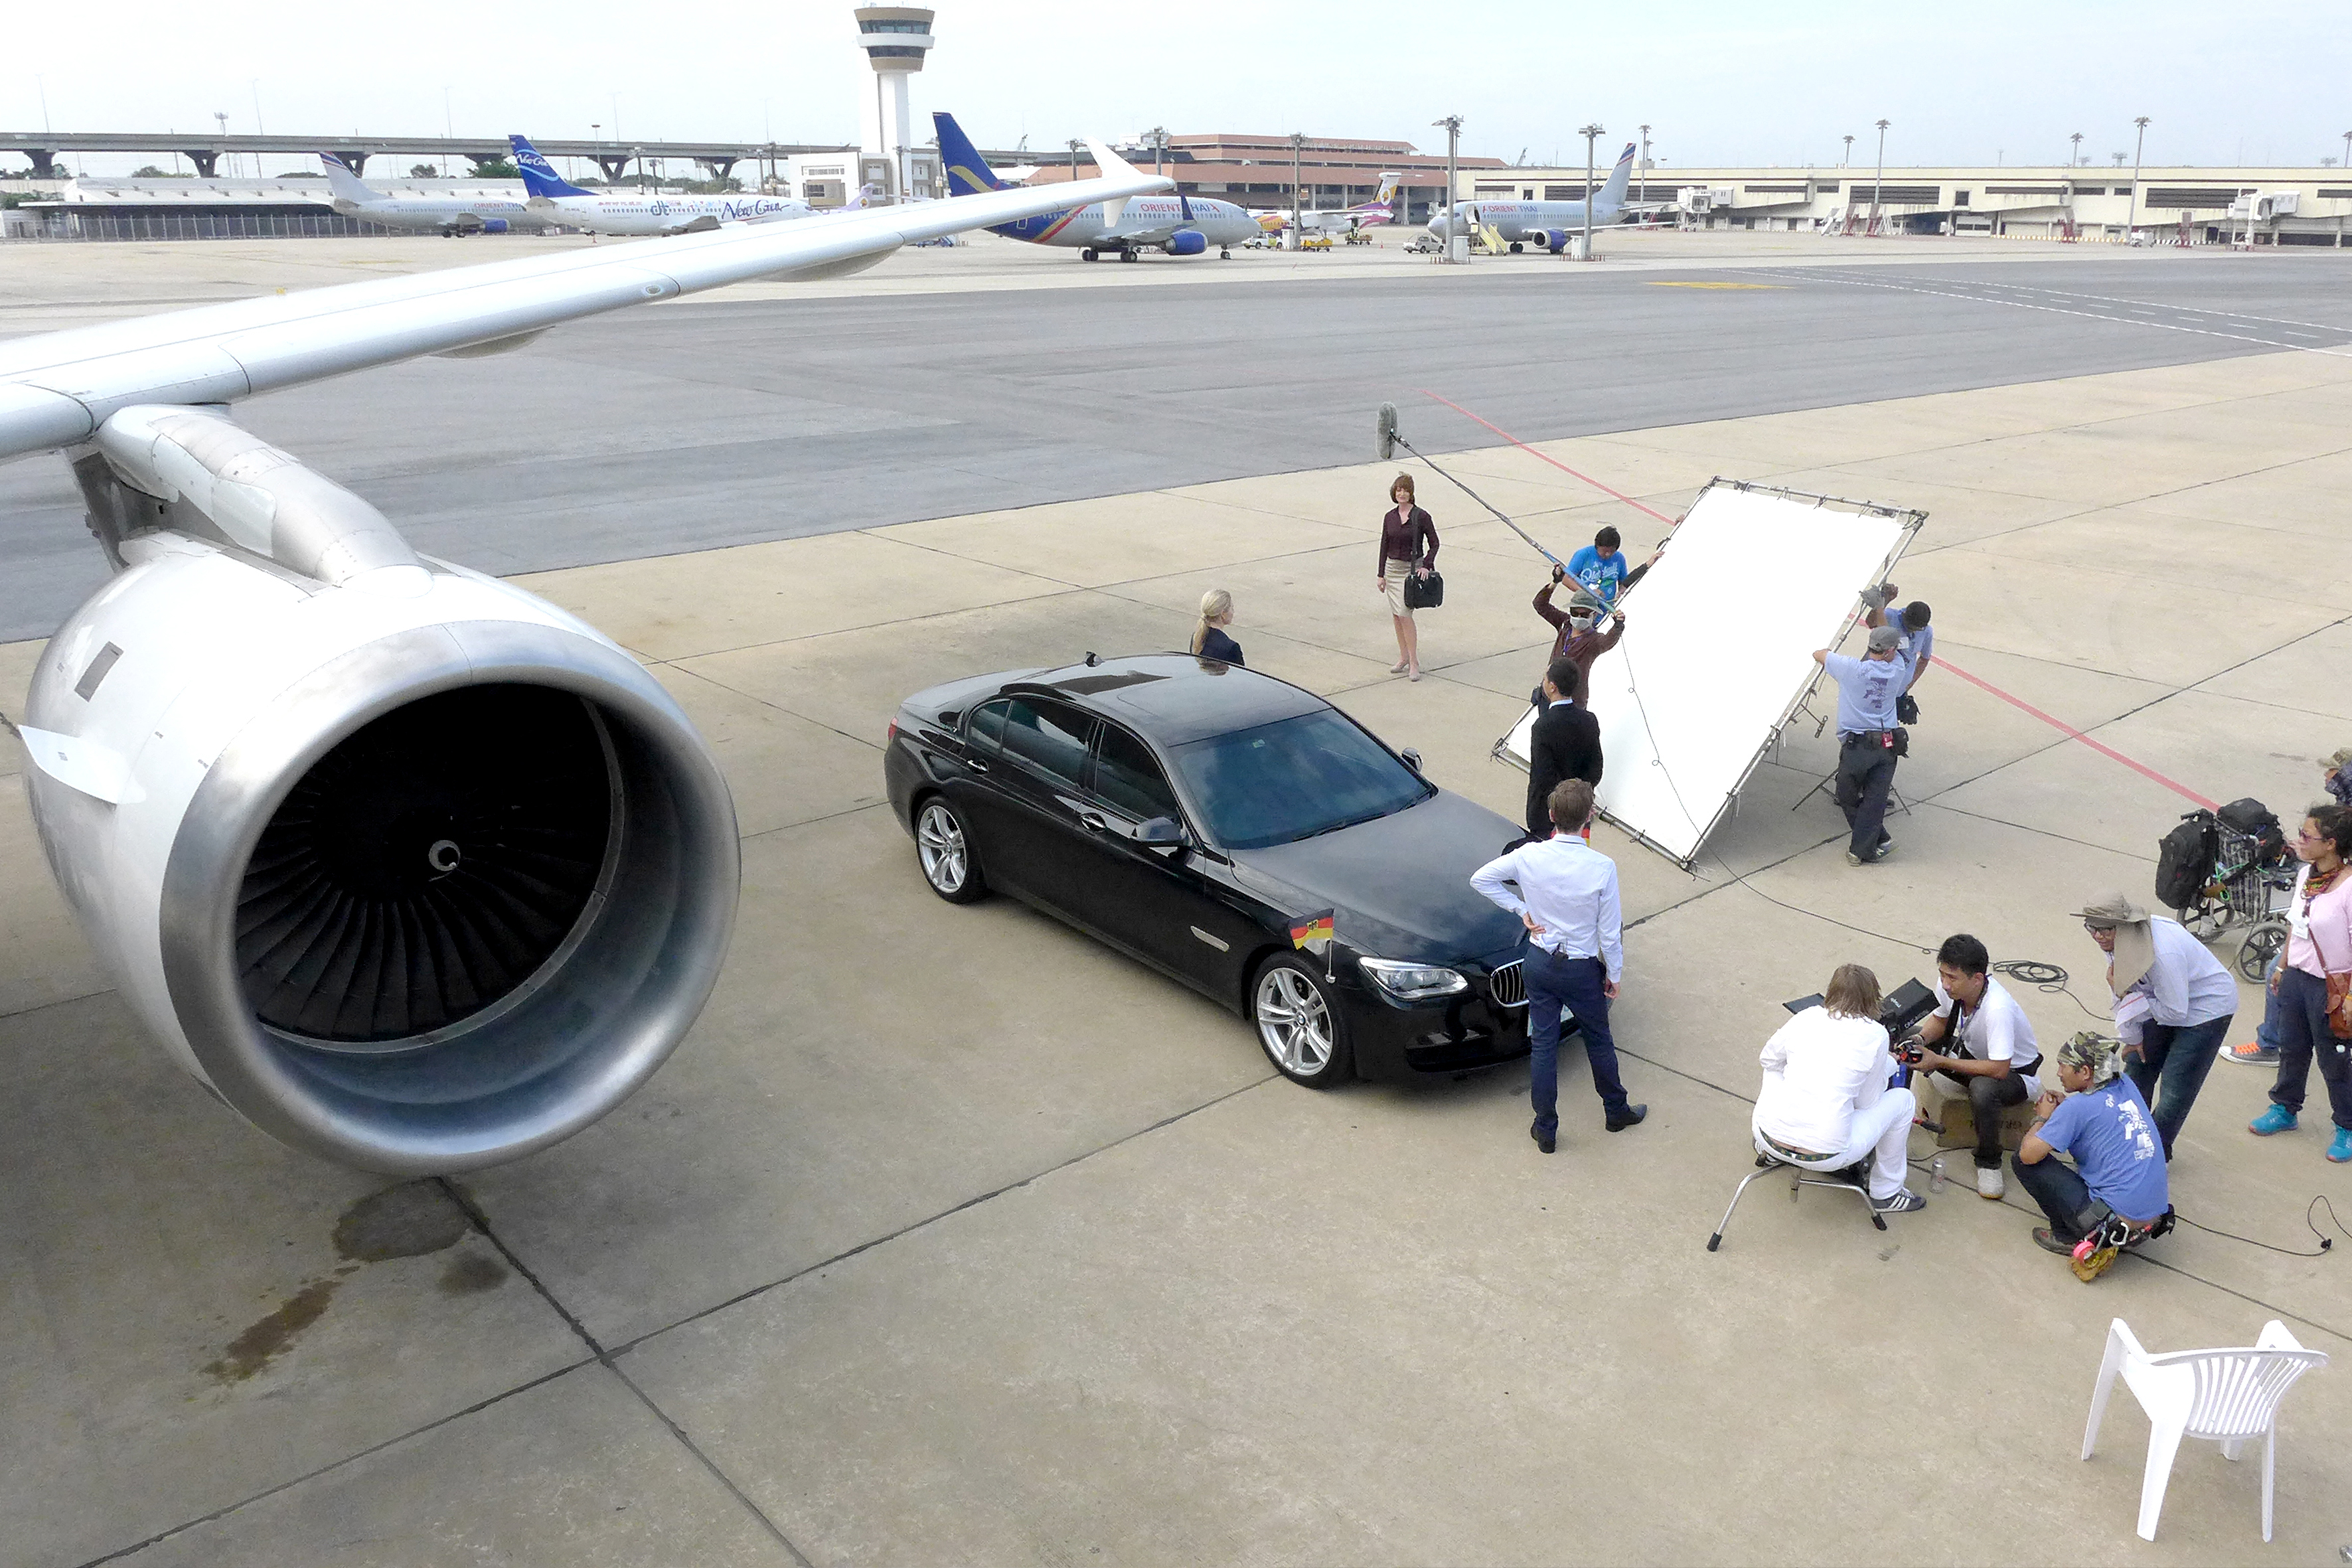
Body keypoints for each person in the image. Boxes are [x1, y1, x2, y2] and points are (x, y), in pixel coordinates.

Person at [1469, 779, 1645, 1152]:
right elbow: (1609, 933)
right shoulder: (1602, 867)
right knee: (1599, 1040)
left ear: (1551, 816)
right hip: (1581, 969)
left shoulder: (1529, 856)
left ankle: (1545, 1128)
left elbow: (1481, 879)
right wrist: (1614, 974)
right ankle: (1616, 1110)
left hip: (1539, 961)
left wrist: (1522, 910)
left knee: (1544, 1045)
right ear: (1590, 818)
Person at [2073, 892, 2234, 1160]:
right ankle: (2126, 1140)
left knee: (2176, 1087)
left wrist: (2132, 998)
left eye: (2105, 929)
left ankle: (2156, 1154)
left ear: (2124, 926)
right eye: (2092, 927)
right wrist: (2133, 1036)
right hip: (2161, 1000)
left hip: (2206, 1010)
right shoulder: (2112, 943)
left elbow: (2173, 1011)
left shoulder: (2164, 951)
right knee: (2137, 1066)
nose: (2098, 936)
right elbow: (2123, 988)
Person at [1753, 964, 1925, 1214]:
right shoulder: (1876, 1035)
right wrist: (1887, 1065)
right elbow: (1867, 1102)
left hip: (1767, 1137)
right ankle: (1886, 1194)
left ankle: (1771, 1153)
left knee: (1774, 1069)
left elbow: (1768, 1060)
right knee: (1904, 1100)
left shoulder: (1805, 1016)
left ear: (1831, 992)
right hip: (1827, 1155)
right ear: (1872, 998)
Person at [2013, 1032, 2170, 1280]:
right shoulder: (2125, 1084)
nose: (2058, 1073)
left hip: (2111, 1227)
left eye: (2063, 1065)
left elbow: (2028, 1154)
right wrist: (2065, 1112)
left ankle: (2068, 1237)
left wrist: (2043, 1117)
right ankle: (2120, 1231)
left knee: (2022, 1163)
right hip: (2153, 1220)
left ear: (2085, 1072)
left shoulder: (2078, 1108)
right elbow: (2097, 1117)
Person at [2246, 805, 2352, 1163]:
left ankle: (2347, 1126)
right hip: (2296, 978)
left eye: (2308, 837)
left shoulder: (2349, 888)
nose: (2299, 841)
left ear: (2332, 844)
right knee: (2292, 1048)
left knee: (2334, 1061)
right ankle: (2285, 1109)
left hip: (2332, 987)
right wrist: (2282, 967)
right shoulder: (2308, 874)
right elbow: (2297, 924)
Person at [1913, 932, 2044, 1198]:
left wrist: (1937, 1060)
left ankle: (1989, 1162)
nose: (1945, 984)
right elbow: (1940, 1020)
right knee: (1907, 1042)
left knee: (1983, 1089)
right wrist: (1920, 1040)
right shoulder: (1951, 988)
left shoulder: (1998, 1008)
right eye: (1942, 975)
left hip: (2015, 1076)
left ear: (1977, 979)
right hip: (1969, 1054)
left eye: (1952, 978)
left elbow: (1999, 1069)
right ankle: (1896, 1119)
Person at [1810, 625, 1907, 866]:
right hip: (1887, 746)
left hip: (1857, 747)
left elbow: (1818, 654)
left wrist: (1832, 654)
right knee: (1875, 800)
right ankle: (1879, 840)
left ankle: (1861, 851)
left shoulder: (1850, 669)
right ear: (1889, 651)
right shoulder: (1897, 669)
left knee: (1847, 795)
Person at [1522, 656, 1603, 843]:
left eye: (1545, 679)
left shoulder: (1542, 726)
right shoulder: (1589, 720)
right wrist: (1578, 798)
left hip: (1547, 816)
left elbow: (1542, 777)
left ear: (1552, 687)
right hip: (1579, 814)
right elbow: (1596, 769)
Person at [1377, 473, 1439, 682]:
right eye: (1398, 490)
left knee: (1405, 614)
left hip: (1411, 570)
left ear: (1411, 493)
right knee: (1396, 615)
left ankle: (1414, 662)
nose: (1401, 494)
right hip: (1392, 569)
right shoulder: (1390, 517)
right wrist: (1381, 574)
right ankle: (1403, 657)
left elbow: (1435, 543)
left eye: (1405, 490)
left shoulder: (1421, 516)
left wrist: (1427, 565)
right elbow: (1384, 545)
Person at [1531, 569, 1624, 705]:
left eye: (1585, 614)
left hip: (1573, 702)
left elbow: (1608, 641)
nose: (1579, 617)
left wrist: (1618, 625)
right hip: (1548, 695)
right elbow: (1540, 604)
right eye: (1575, 613)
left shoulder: (1594, 641)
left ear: (1594, 615)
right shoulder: (1565, 624)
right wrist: (1555, 582)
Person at [1564, 526, 1629, 607]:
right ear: (1597, 546)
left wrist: (1622, 592)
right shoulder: (1583, 555)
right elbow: (1566, 579)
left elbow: (1623, 583)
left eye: (1612, 551)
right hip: (1585, 607)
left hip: (1607, 607)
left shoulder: (1620, 558)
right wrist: (1587, 593)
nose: (1608, 554)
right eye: (1604, 551)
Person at [1896, 601, 1932, 724]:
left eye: (1918, 629)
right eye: (1910, 627)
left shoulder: (1927, 631)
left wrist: (1910, 683)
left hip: (1899, 692)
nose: (1913, 632)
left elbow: (1924, 658)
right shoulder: (1890, 617)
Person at [1192, 588, 1243, 666]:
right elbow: (1241, 676)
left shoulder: (1197, 638)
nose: (1233, 612)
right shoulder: (1231, 648)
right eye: (1232, 608)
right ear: (1223, 614)